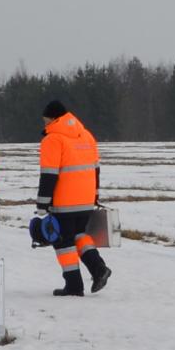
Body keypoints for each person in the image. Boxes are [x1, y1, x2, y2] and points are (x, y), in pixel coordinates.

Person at [35, 99, 111, 297]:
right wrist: (94, 196)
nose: (45, 125)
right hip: (85, 199)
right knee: (79, 235)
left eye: (46, 120)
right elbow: (96, 170)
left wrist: (42, 203)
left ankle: (74, 286)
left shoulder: (52, 140)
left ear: (53, 118)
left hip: (64, 202)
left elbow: (49, 174)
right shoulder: (86, 135)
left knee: (63, 243)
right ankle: (99, 269)